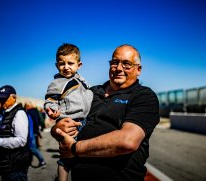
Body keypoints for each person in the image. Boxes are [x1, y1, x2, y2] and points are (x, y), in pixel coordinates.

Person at [51, 44, 160, 181]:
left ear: (138, 69)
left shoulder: (143, 96)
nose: (119, 68)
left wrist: (74, 148)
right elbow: (64, 116)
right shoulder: (91, 92)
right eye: (115, 62)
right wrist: (57, 129)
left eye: (127, 64)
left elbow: (128, 141)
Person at [44, 43, 93, 181]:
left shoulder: (83, 82)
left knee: (85, 156)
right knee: (67, 156)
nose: (66, 67)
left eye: (70, 63)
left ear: (79, 65)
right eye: (62, 63)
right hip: (69, 122)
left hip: (85, 121)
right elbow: (50, 100)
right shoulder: (57, 83)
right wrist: (51, 110)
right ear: (56, 65)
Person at [0, 85, 31, 181]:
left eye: (4, 98)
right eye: (0, 98)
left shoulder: (19, 113)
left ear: (14, 98)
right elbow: (7, 137)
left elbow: (21, 141)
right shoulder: (7, 113)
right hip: (7, 165)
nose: (2, 101)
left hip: (16, 166)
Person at [24, 101, 46, 168]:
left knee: (32, 148)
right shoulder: (36, 111)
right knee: (32, 147)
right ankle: (29, 161)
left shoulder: (29, 112)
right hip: (35, 131)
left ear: (27, 106)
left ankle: (42, 161)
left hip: (32, 132)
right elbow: (39, 121)